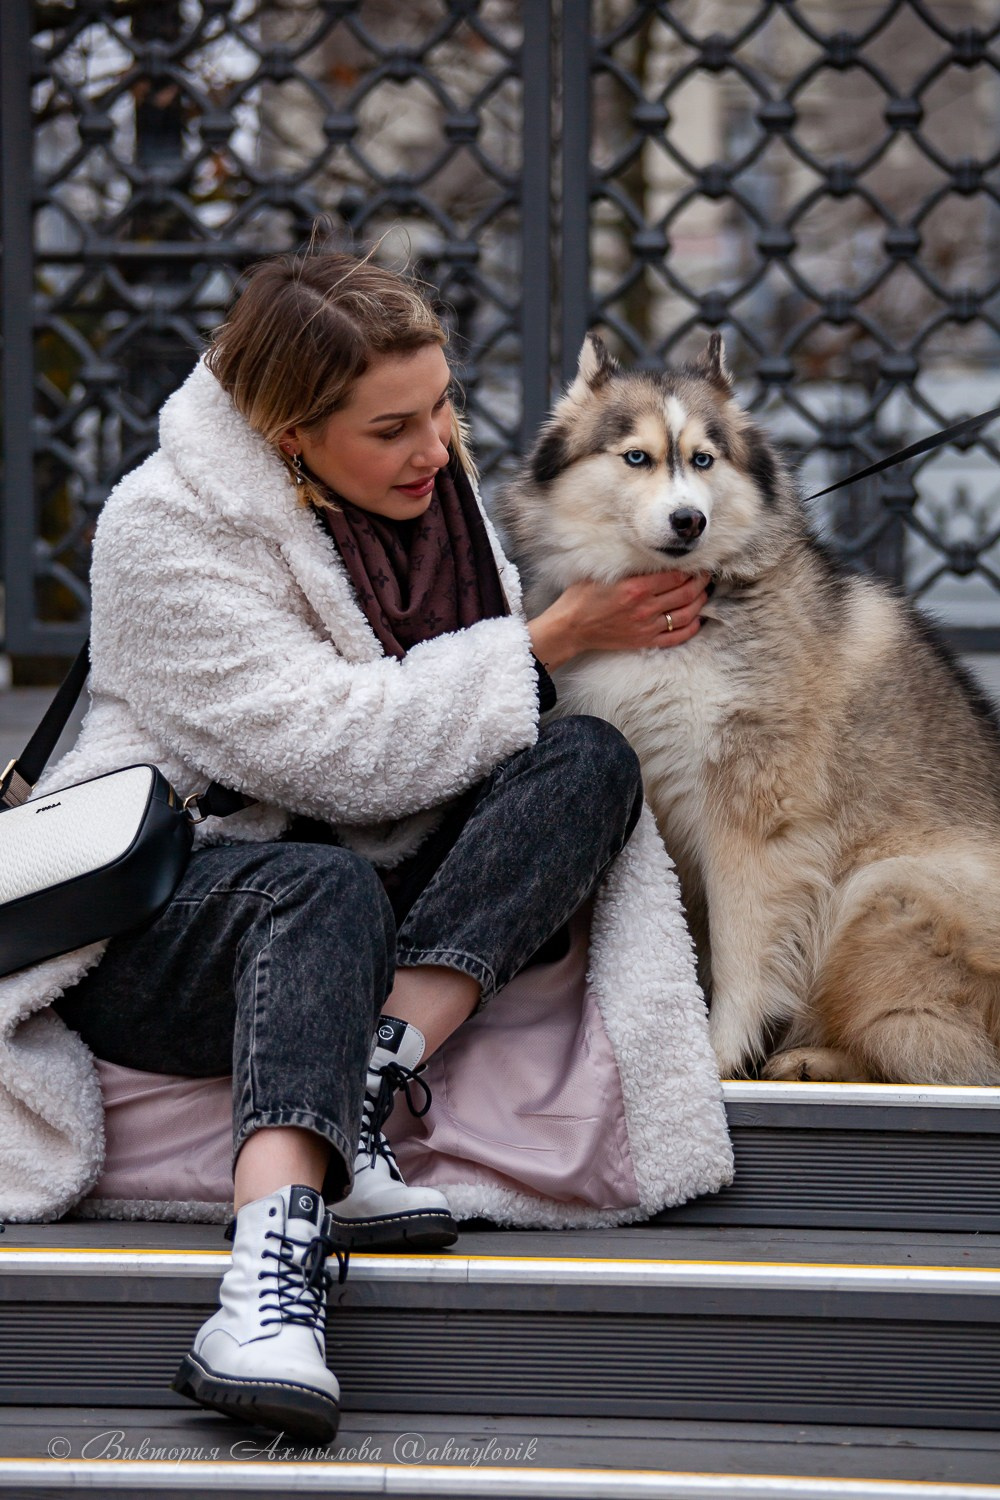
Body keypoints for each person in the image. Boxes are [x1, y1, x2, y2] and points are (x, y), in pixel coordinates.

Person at [5, 248, 724, 1442]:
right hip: (171, 921)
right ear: (288, 432)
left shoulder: (426, 494)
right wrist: (544, 641)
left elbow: (476, 739)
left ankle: (367, 1074)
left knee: (588, 764)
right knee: (319, 885)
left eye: (441, 406)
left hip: (365, 874)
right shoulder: (163, 526)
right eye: (392, 428)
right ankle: (265, 1291)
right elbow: (336, 752)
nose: (435, 448)